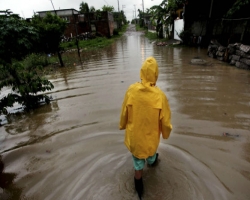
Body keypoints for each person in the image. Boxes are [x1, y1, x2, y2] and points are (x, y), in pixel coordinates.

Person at [119, 56, 172, 199]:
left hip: (136, 139)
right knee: (152, 154)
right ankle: (153, 162)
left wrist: (122, 125)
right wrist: (165, 134)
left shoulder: (131, 90)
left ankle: (139, 192)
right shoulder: (160, 96)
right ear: (156, 74)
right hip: (151, 139)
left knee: (138, 166)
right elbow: (165, 121)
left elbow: (124, 112)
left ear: (141, 72)